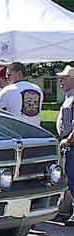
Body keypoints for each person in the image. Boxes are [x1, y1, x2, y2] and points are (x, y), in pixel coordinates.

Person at [0, 62, 43, 126]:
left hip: (15, 129)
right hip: (35, 128)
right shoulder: (37, 88)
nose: (6, 77)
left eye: (9, 74)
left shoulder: (9, 89)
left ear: (19, 73)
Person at [54, 65, 74, 226]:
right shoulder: (69, 96)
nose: (61, 81)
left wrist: (69, 140)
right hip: (68, 143)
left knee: (73, 180)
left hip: (71, 144)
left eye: (65, 78)